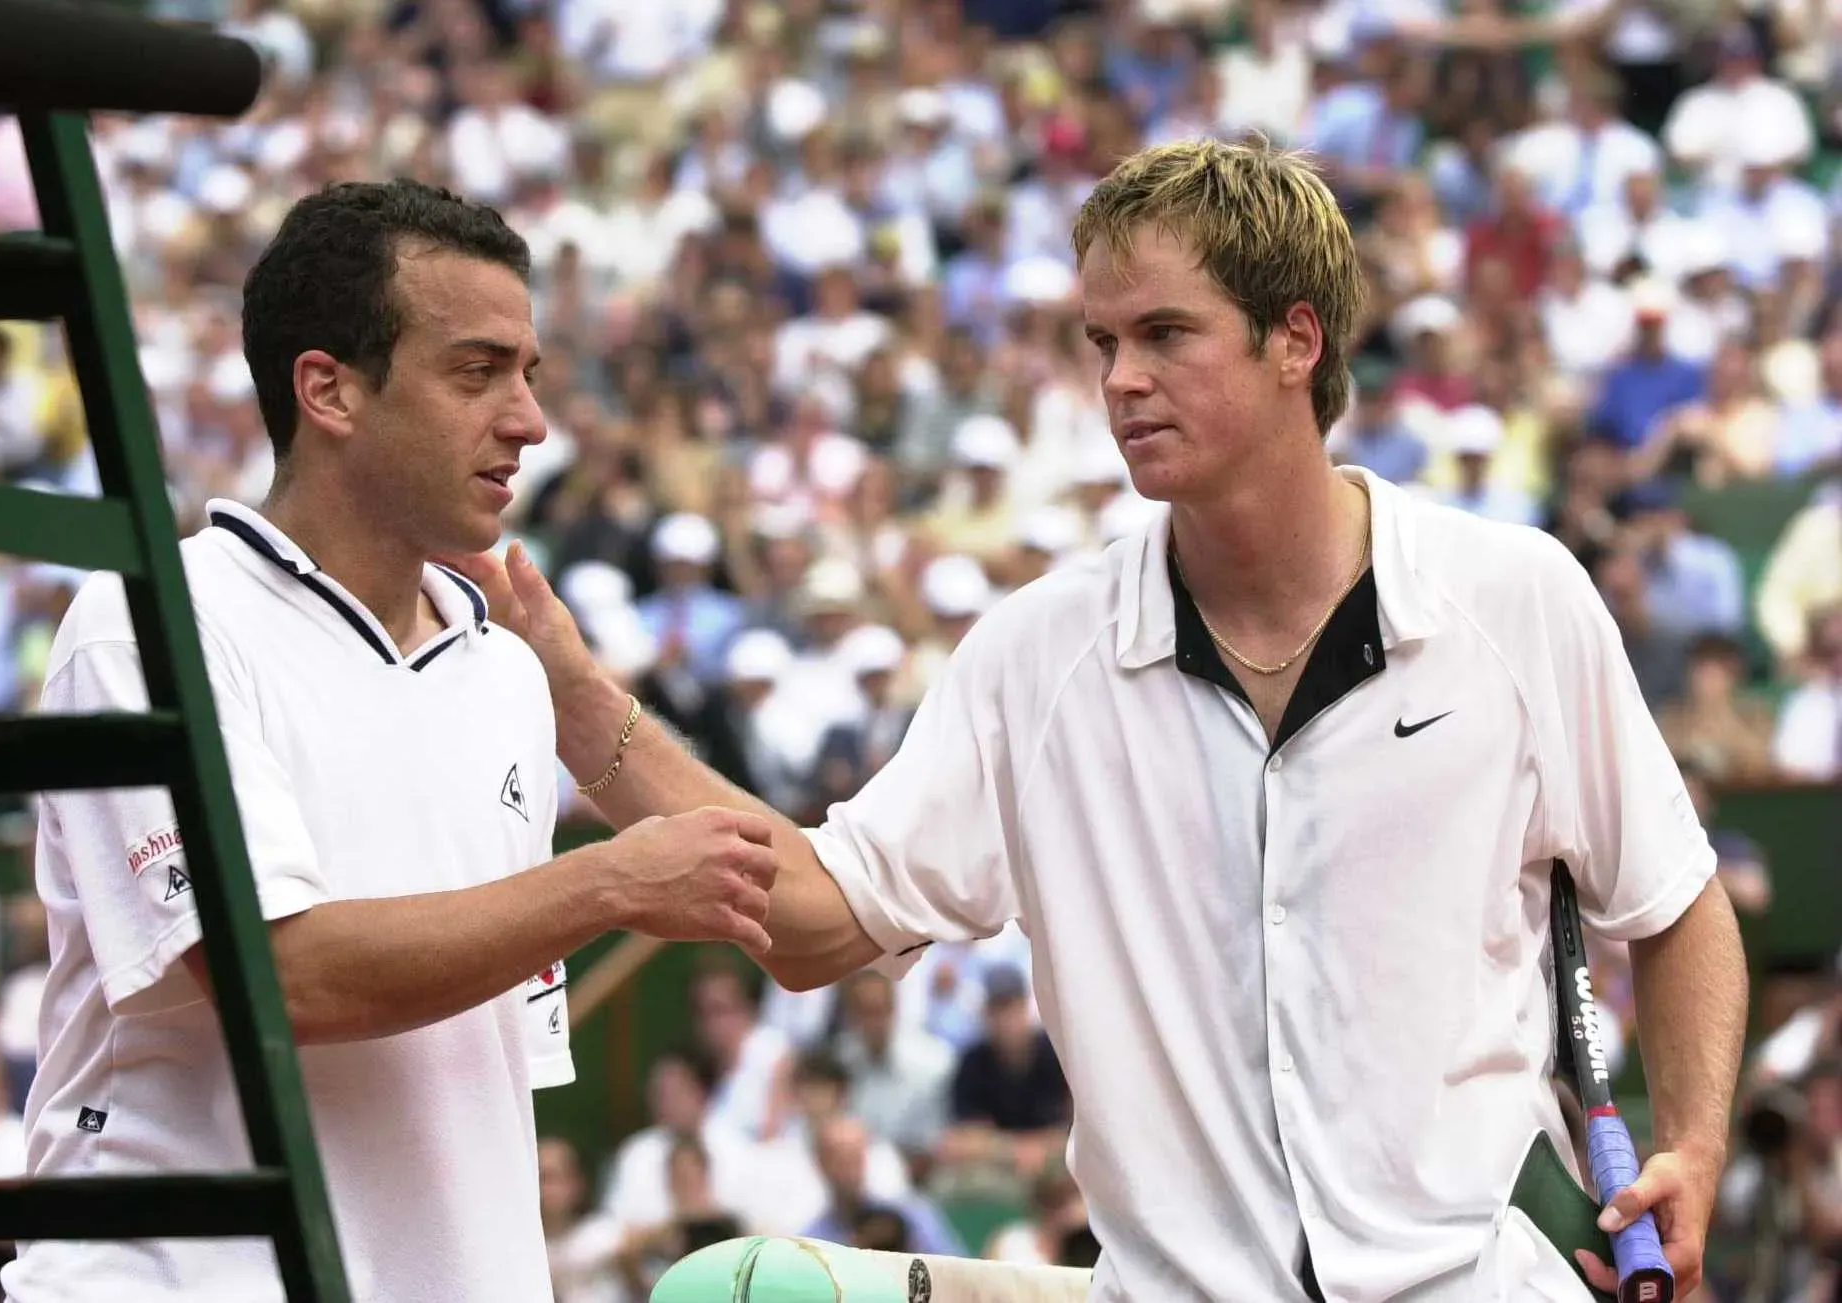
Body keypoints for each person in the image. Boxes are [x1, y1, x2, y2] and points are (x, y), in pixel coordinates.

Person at [472, 141, 1749, 1300]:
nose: (1121, 380)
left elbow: (1679, 905)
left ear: (1294, 340)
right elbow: (813, 923)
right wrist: (591, 718)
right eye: (1101, 344)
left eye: (1164, 334)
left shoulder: (1515, 599)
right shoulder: (1037, 656)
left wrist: (1691, 1148)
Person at [6, 180, 778, 1303]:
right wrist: (606, 882)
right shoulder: (148, 623)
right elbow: (277, 975)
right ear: (328, 389)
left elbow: (479, 1084)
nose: (528, 419)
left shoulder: (510, 673)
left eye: (529, 374)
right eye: (476, 372)